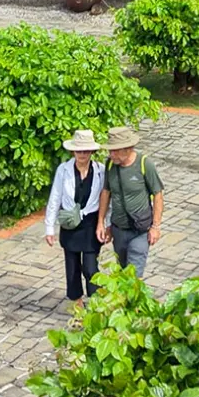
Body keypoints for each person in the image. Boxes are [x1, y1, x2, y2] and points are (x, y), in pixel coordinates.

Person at [44, 129, 105, 305]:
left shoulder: (100, 171)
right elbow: (55, 197)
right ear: (73, 151)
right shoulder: (64, 170)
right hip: (70, 222)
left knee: (90, 267)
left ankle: (95, 304)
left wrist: (104, 223)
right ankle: (77, 305)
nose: (82, 155)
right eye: (79, 151)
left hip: (90, 223)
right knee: (72, 267)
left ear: (92, 152)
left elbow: (104, 198)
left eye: (86, 151)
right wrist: (49, 228)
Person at [95, 126, 163, 278]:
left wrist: (156, 226)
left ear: (128, 148)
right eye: (110, 151)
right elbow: (106, 192)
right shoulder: (110, 165)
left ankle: (132, 301)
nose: (111, 154)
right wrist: (101, 222)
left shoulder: (145, 164)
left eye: (115, 151)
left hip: (140, 230)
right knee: (122, 272)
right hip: (118, 230)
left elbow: (158, 195)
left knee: (133, 276)